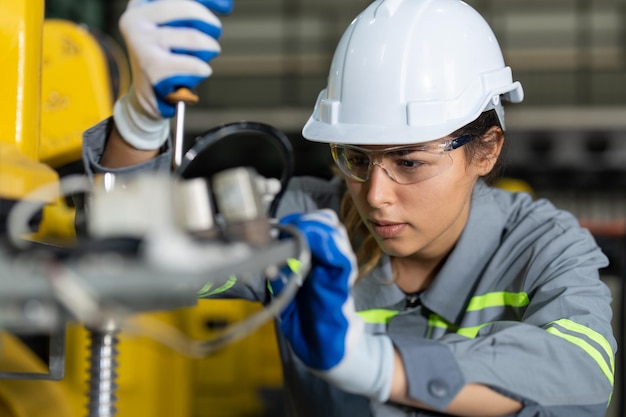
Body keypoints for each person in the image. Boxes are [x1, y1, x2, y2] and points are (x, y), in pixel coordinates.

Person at [82, 0, 617, 416]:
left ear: (487, 150)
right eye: (356, 159)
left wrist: (376, 367)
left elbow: (578, 366)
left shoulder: (542, 246)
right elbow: (125, 262)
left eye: (408, 162)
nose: (374, 195)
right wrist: (141, 118)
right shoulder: (304, 227)